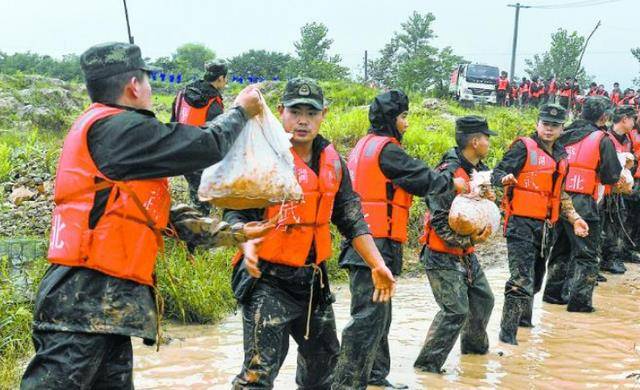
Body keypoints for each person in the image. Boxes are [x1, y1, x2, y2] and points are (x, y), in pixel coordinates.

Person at [20, 42, 268, 389]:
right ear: (134, 86)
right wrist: (241, 110)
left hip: (109, 308)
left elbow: (163, 215)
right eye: (148, 80)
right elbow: (206, 144)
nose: (151, 88)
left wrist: (235, 233)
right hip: (83, 301)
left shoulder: (119, 136)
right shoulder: (119, 129)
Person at [225, 77, 396, 389]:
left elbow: (350, 218)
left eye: (311, 112)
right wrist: (241, 233)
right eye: (295, 111)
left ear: (323, 114)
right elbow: (235, 209)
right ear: (280, 111)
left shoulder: (333, 162)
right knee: (257, 376)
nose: (303, 120)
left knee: (323, 370)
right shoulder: (262, 156)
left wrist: (377, 264)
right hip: (267, 280)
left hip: (312, 283)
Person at [333, 90, 466, 389]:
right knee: (368, 318)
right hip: (373, 244)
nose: (406, 123)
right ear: (391, 120)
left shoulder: (364, 146)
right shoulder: (387, 150)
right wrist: (452, 181)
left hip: (368, 242)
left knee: (379, 316)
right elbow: (422, 179)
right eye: (403, 117)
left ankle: (376, 377)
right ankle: (347, 383)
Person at [492, 104, 588, 345]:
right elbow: (497, 173)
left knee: (535, 277)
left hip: (547, 226)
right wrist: (503, 179)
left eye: (554, 126)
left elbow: (560, 194)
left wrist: (575, 218)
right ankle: (508, 336)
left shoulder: (561, 155)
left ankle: (525, 323)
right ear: (537, 124)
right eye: (545, 124)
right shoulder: (522, 147)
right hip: (521, 223)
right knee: (520, 279)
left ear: (561, 129)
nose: (549, 129)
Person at [413, 116, 496, 374]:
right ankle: (427, 368)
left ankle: (474, 358)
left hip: (465, 254)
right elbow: (439, 221)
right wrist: (471, 239)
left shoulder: (477, 170)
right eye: (486, 137)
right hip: (440, 254)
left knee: (484, 299)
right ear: (475, 141)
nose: (489, 142)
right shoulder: (448, 173)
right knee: (455, 312)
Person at [543, 97, 622, 312]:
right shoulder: (602, 139)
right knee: (587, 255)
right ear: (604, 117)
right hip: (583, 202)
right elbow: (611, 176)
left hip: (557, 199)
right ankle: (580, 303)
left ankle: (552, 295)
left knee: (560, 249)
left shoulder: (563, 133)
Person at [171, 59, 229, 215]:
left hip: (180, 152)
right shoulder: (214, 103)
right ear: (221, 78)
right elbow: (217, 137)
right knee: (202, 205)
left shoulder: (182, 93)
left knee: (196, 194)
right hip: (201, 157)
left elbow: (172, 122)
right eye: (226, 78)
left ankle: (194, 217)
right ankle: (197, 233)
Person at [600, 105, 636, 274]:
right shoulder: (605, 138)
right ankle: (597, 262)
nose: (634, 122)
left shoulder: (626, 140)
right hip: (603, 190)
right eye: (632, 119)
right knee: (600, 226)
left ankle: (610, 258)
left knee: (617, 224)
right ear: (625, 119)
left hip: (618, 191)